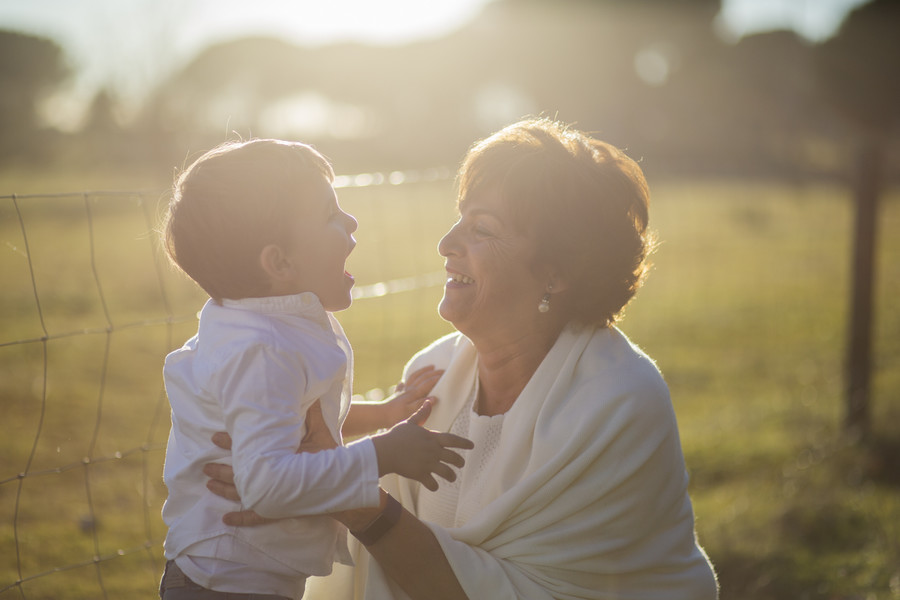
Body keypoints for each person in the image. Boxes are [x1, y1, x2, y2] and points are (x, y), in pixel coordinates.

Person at [205, 119, 719, 599]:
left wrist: (341, 493)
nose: (446, 243)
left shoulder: (618, 402)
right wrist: (287, 480)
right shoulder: (432, 377)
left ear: (555, 274)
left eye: (483, 229)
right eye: (459, 221)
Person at [159, 139, 473, 600]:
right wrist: (383, 453)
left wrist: (383, 413)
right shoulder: (262, 352)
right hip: (228, 583)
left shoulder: (266, 323)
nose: (351, 222)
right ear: (280, 262)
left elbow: (298, 418)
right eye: (330, 214)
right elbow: (267, 487)